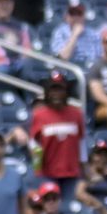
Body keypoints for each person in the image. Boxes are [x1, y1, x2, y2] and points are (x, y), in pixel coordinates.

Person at [30, 72, 85, 201]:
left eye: (60, 90)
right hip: (48, 172)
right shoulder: (39, 115)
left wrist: (84, 166)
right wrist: (37, 169)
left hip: (71, 173)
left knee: (69, 208)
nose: (56, 94)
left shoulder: (76, 114)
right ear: (47, 92)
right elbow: (34, 144)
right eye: (53, 90)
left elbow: (81, 142)